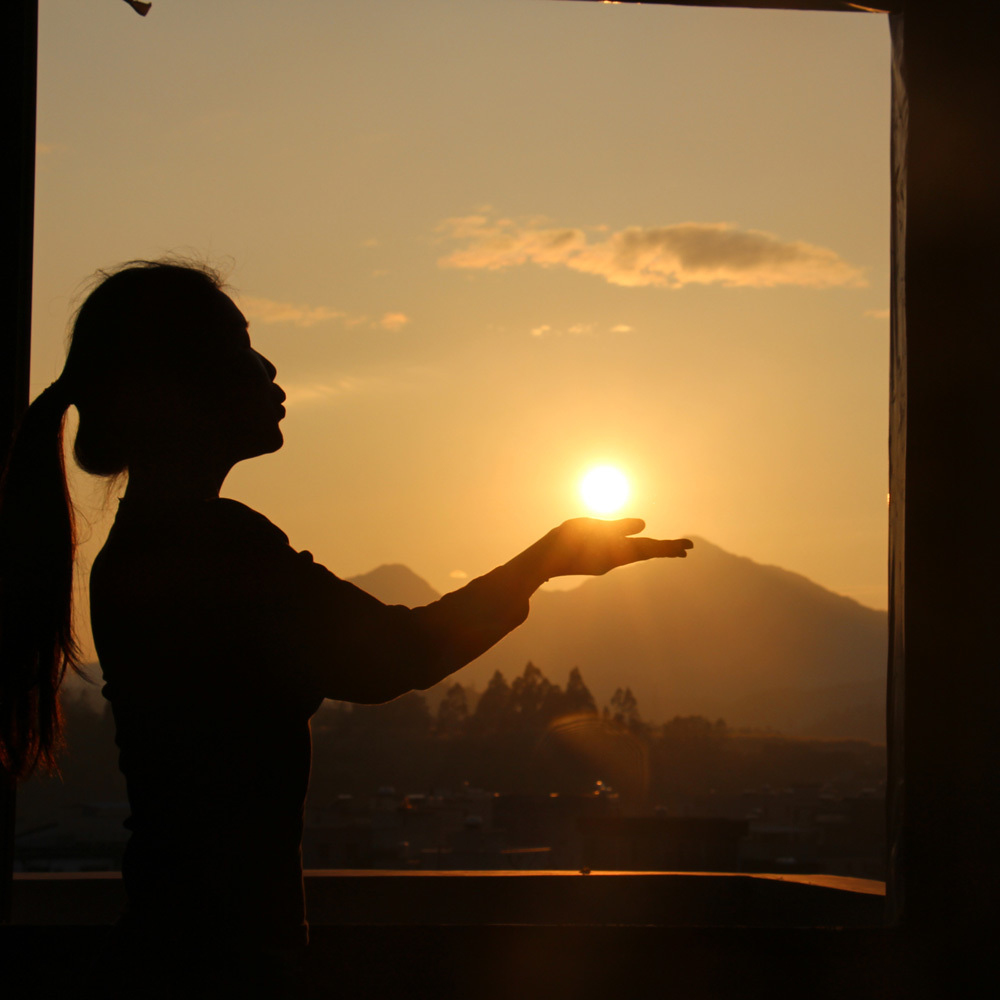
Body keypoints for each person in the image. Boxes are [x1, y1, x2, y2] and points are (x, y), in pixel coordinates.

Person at [0, 260, 692, 996]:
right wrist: (544, 560)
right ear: (178, 391)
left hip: (175, 946)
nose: (268, 366)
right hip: (215, 962)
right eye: (239, 350)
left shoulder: (144, 550)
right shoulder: (212, 546)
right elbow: (396, 656)